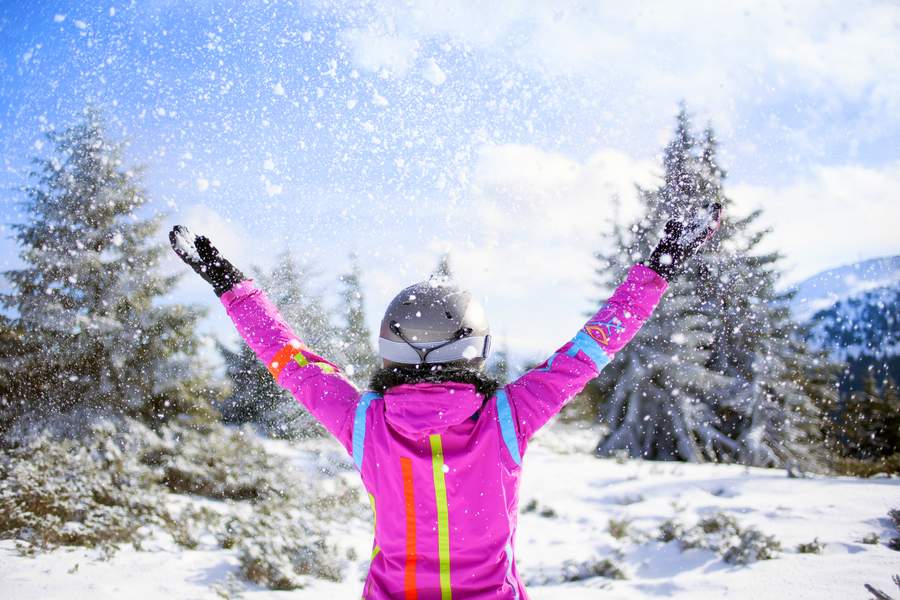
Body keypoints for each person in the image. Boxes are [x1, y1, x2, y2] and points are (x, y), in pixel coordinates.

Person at [169, 202, 721, 600]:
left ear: (388, 349)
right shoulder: (509, 417)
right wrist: (657, 270)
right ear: (477, 347)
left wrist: (231, 285)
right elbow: (594, 345)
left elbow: (288, 358)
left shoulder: (364, 423)